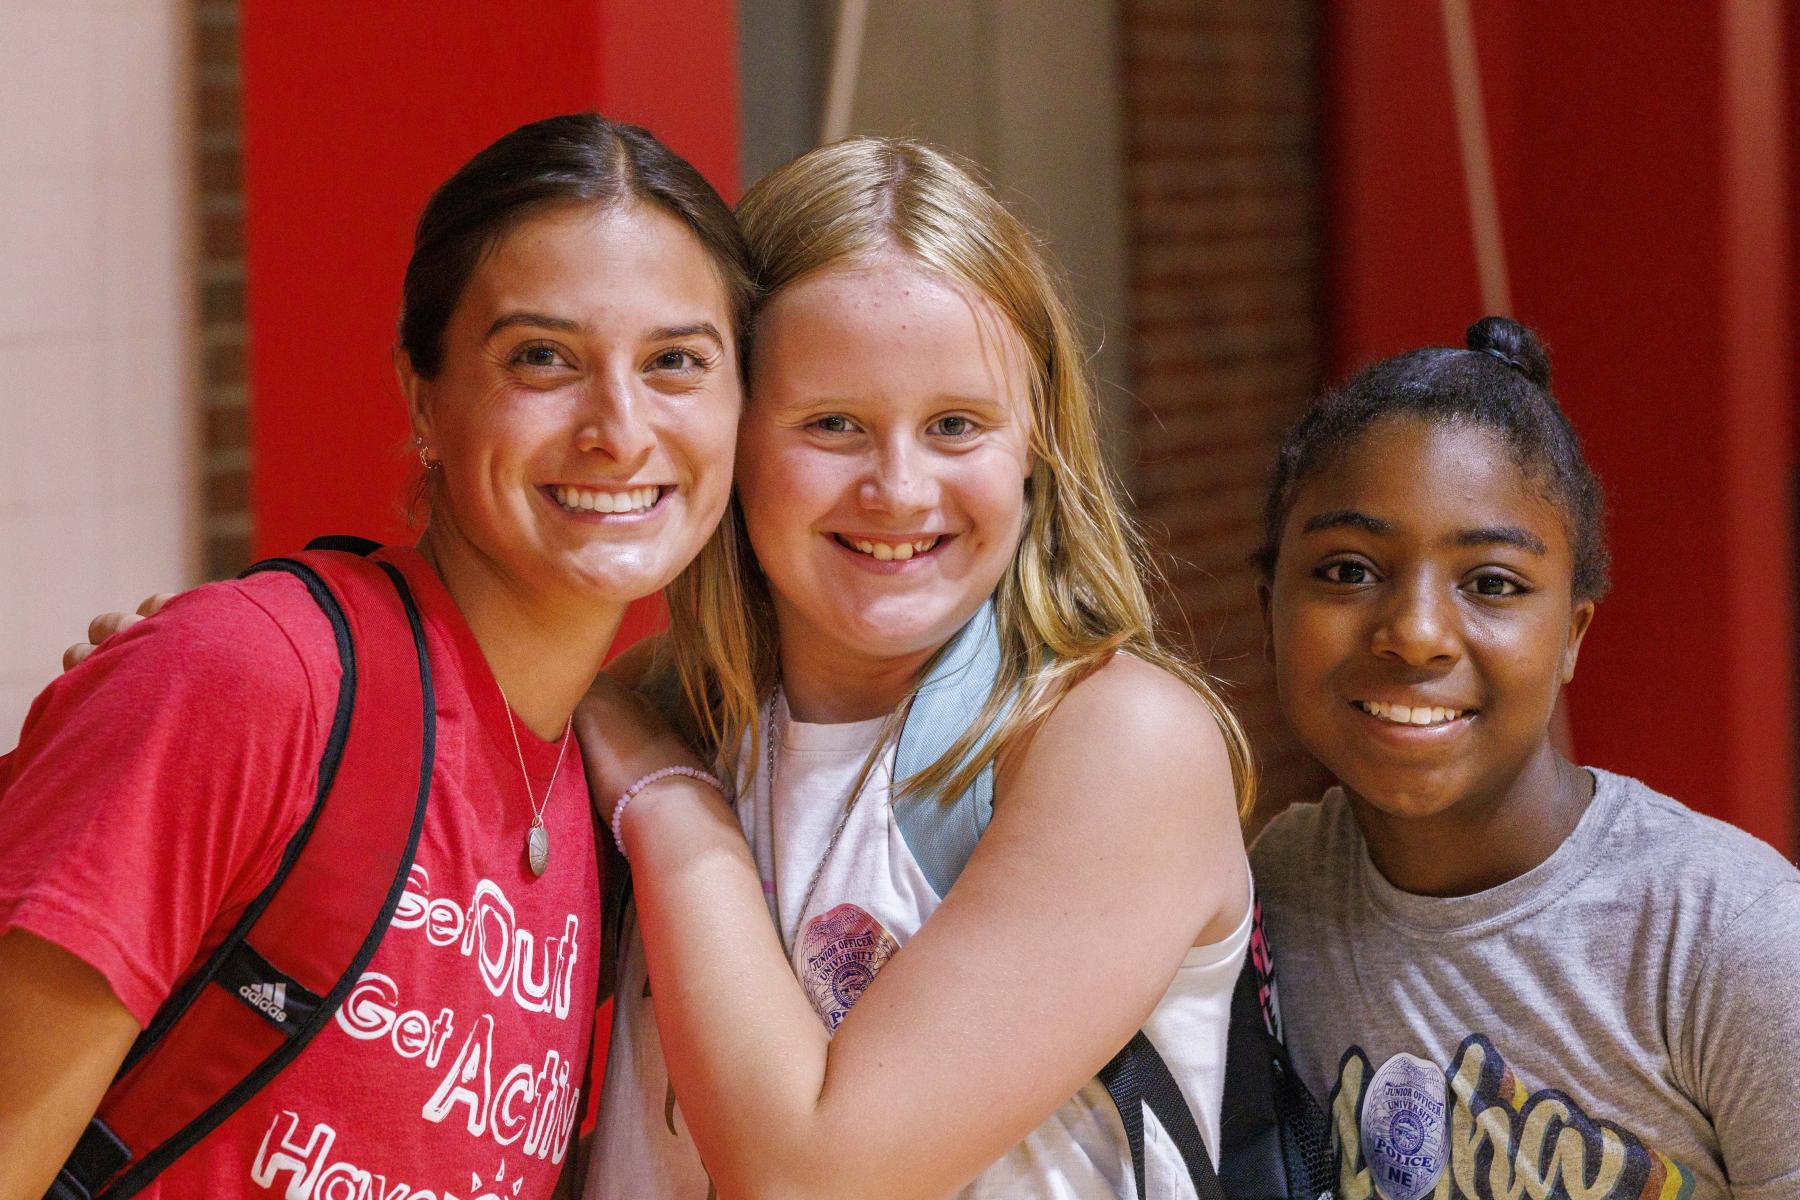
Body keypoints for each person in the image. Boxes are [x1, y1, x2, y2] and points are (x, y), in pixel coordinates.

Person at [0, 112, 750, 1199]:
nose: (620, 428)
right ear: (422, 395)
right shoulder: (253, 679)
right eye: (543, 357)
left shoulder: (615, 806)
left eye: (676, 361)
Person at [577, 137, 1255, 1200]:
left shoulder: (1116, 740)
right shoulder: (662, 709)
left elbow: (812, 1175)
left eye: (955, 426)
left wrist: (671, 808)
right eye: (833, 425)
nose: (899, 489)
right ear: (732, 431)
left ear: (1037, 442)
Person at [1248, 317, 1800, 1199]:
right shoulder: (1264, 901)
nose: (1417, 634)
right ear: (1269, 606)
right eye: (1349, 570)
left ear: (1572, 634)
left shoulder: (1727, 935)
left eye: (1493, 584)